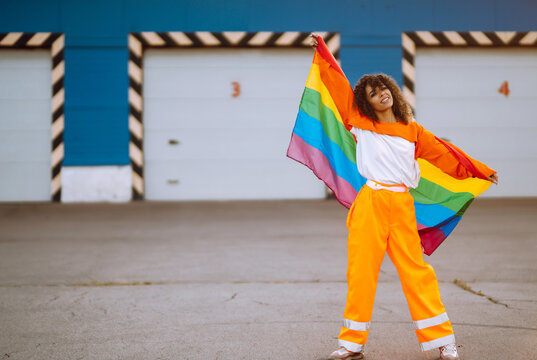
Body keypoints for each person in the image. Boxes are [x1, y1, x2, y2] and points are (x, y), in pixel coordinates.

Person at [309, 35, 498, 360]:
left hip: (400, 205)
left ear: (393, 93)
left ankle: (442, 341)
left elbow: (445, 155)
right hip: (370, 203)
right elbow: (338, 87)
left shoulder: (414, 131)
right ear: (365, 103)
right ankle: (351, 343)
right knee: (361, 272)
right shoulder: (360, 122)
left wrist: (479, 170)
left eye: (384, 88)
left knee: (416, 271)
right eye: (373, 93)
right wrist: (324, 53)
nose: (381, 93)